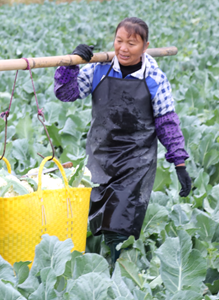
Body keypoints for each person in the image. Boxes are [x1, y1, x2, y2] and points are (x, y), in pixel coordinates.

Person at [54, 17, 192, 265]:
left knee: (120, 224)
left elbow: (167, 123)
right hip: (100, 158)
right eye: (119, 41)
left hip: (135, 164)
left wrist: (179, 163)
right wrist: (71, 64)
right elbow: (66, 93)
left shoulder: (155, 78)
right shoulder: (99, 69)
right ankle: (96, 270)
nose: (124, 48)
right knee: (96, 221)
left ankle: (118, 274)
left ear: (145, 47)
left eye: (132, 43)